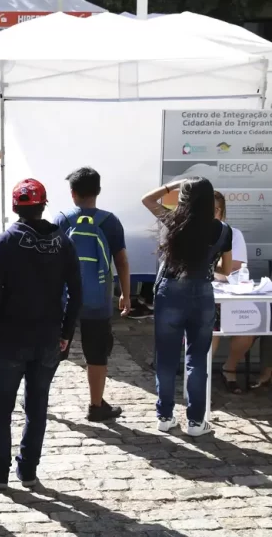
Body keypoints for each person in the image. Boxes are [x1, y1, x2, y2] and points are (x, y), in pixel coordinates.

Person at [0, 179, 82, 490]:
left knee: (1, 407)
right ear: (43, 205)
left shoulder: (4, 242)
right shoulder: (62, 243)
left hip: (10, 338)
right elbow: (77, 293)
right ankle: (28, 469)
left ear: (14, 207)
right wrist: (66, 332)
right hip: (47, 337)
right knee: (37, 406)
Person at [142, 177, 231, 437]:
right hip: (202, 292)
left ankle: (165, 416)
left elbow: (146, 200)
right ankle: (195, 422)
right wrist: (205, 264)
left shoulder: (174, 221)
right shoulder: (223, 230)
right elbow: (226, 269)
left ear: (185, 198)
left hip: (170, 291)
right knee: (197, 360)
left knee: (167, 358)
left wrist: (174, 184)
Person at [55, 167, 131, 421]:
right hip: (98, 299)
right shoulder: (110, 222)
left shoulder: (62, 220)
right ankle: (96, 406)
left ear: (73, 193)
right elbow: (121, 261)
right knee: (97, 352)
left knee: (53, 349)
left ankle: (37, 399)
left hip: (64, 299)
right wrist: (126, 295)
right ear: (98, 192)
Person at [208, 191, 252, 393]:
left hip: (232, 293)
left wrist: (207, 263)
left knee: (249, 326)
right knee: (211, 327)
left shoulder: (232, 233)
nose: (211, 214)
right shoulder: (190, 233)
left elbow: (234, 266)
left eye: (215, 210)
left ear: (222, 212)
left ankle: (230, 368)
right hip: (206, 295)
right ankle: (203, 374)